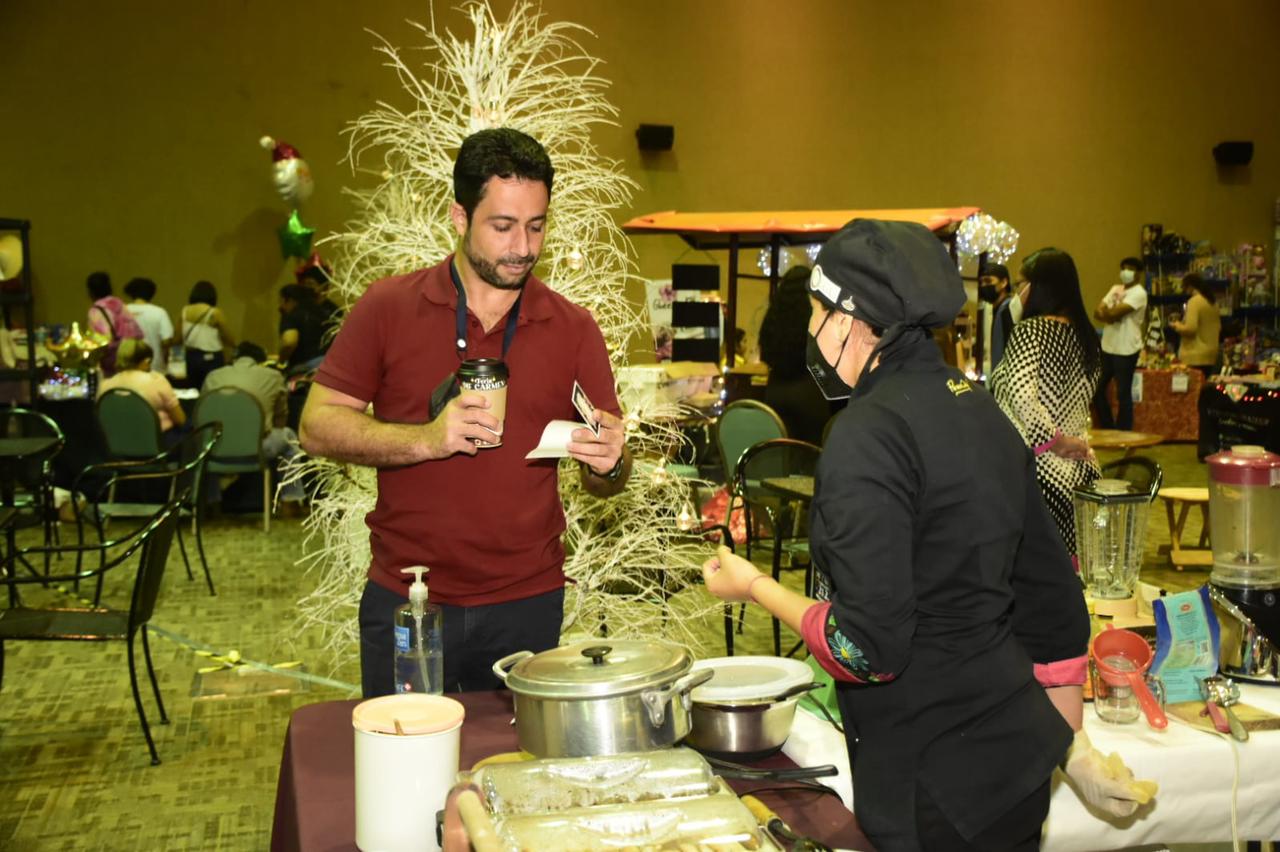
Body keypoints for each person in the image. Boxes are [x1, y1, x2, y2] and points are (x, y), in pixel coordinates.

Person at [701, 220, 1154, 851]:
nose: (811, 329)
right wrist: (1068, 747)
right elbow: (1050, 600)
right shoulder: (980, 408)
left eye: (816, 312)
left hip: (935, 782)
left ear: (849, 319)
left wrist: (754, 585)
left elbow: (865, 649)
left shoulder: (866, 434)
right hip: (1017, 762)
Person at [299, 127, 631, 697]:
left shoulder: (573, 328)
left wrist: (609, 462)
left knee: (514, 756)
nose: (522, 246)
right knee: (405, 752)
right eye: (502, 226)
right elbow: (316, 425)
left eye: (536, 226)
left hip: (528, 603)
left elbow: (607, 482)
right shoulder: (389, 307)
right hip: (410, 599)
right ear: (459, 217)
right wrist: (427, 439)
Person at [990, 248, 1102, 559]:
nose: (1018, 293)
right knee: (1074, 568)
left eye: (1021, 284)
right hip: (1081, 469)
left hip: (1038, 473)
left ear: (1039, 287)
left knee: (1037, 569)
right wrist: (1065, 440)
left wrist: (1053, 441)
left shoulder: (1031, 331)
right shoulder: (1087, 336)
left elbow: (1022, 396)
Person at [202, 341, 305, 505]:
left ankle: (211, 503)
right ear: (262, 361)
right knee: (289, 436)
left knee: (206, 440)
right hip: (257, 448)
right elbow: (281, 418)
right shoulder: (273, 376)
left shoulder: (213, 376)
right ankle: (291, 500)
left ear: (234, 358)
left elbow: (203, 417)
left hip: (215, 448)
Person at [758, 265, 835, 444]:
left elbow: (766, 355)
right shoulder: (817, 321)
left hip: (775, 392)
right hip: (811, 395)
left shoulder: (773, 320)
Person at [1092, 257, 1147, 429]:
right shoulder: (1115, 289)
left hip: (1126, 349)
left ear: (1138, 274)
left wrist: (1108, 313)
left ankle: (1124, 430)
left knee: (1123, 393)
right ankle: (1108, 426)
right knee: (1097, 388)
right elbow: (1097, 312)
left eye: (1130, 269)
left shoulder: (1139, 293)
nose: (1125, 272)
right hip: (1108, 346)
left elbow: (1114, 313)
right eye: (1123, 268)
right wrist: (1109, 314)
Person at [97, 339, 185, 434]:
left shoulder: (104, 386)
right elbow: (180, 419)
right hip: (157, 439)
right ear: (147, 361)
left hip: (116, 440)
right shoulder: (156, 380)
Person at [86, 271, 144, 376]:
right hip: (131, 357)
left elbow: (102, 340)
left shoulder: (96, 311)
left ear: (90, 291)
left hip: (112, 362)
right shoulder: (119, 304)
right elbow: (138, 332)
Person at [182, 281, 235, 389]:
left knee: (193, 390)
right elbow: (229, 338)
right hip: (212, 359)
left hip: (191, 357)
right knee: (212, 389)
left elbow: (176, 338)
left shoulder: (185, 311)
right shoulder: (215, 312)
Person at [1168, 273, 1221, 377]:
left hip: (1195, 355)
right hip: (1211, 354)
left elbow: (1190, 329)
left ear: (1190, 286)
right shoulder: (1212, 302)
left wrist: (1176, 325)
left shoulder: (1194, 302)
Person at [123, 277, 175, 375]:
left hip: (127, 368)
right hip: (155, 368)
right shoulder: (159, 312)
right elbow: (167, 341)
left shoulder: (122, 311)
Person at [975, 261, 1017, 380]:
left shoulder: (1009, 309)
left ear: (1003, 282)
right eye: (981, 282)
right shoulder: (992, 309)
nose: (983, 286)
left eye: (988, 281)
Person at [277, 284, 328, 374]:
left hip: (306, 367)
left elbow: (290, 342)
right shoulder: (324, 314)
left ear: (290, 300)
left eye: (281, 301)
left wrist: (280, 361)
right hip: (329, 363)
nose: (280, 307)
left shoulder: (292, 315)